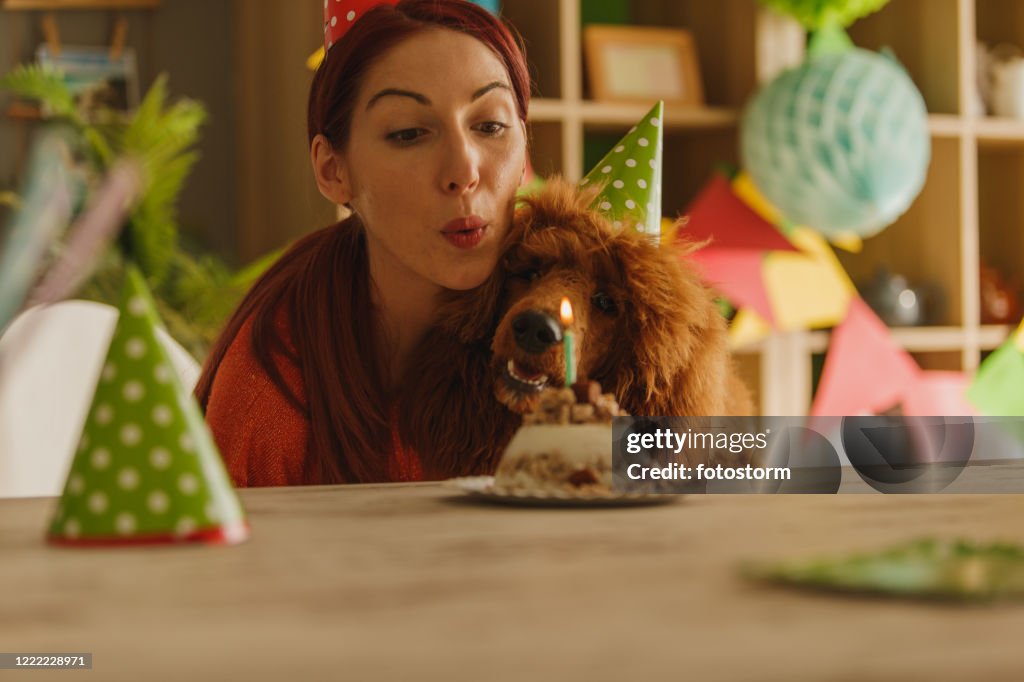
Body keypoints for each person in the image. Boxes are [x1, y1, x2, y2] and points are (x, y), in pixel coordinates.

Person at [195, 0, 530, 486]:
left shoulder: (581, 304)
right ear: (333, 171)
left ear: (525, 143)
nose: (464, 171)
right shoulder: (274, 379)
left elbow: (678, 467)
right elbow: (216, 558)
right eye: (410, 133)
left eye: (490, 126)